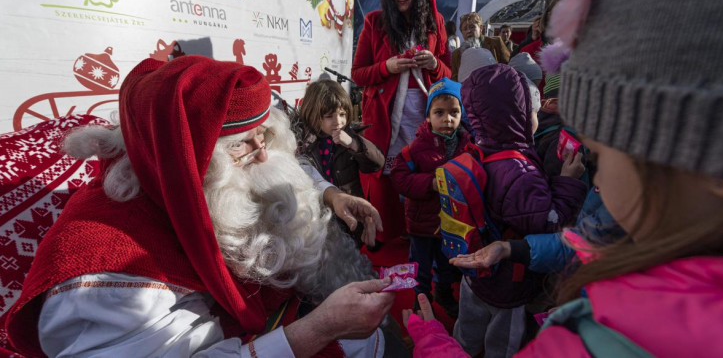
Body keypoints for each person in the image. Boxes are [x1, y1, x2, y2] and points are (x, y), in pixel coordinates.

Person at [409, 0, 723, 356]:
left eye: (604, 148)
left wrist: (430, 342)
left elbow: (560, 228)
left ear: (720, 158)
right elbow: (569, 235)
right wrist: (517, 243)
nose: (595, 173)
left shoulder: (591, 341)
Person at [5, 56, 396, 357]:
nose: (263, 155)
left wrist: (330, 193)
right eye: (242, 144)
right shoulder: (105, 276)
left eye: (265, 135)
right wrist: (318, 330)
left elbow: (280, 171)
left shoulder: (199, 175)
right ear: (181, 158)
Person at [453, 63, 587, 358]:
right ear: (520, 117)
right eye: (534, 112)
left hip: (476, 273)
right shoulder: (518, 172)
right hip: (508, 283)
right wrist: (567, 182)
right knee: (503, 346)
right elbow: (549, 221)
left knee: (467, 333)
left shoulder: (480, 150)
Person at [352, 0, 452, 243]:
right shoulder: (374, 21)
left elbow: (448, 75)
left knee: (423, 175)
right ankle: (389, 239)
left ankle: (422, 237)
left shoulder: (436, 23)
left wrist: (434, 64)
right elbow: (359, 73)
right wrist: (388, 66)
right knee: (385, 180)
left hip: (424, 116)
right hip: (384, 118)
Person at [390, 78, 471, 318]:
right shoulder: (416, 147)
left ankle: (444, 293)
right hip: (422, 224)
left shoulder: (466, 146)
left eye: (454, 112)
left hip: (453, 224)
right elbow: (399, 177)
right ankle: (421, 302)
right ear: (428, 116)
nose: (447, 119)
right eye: (439, 112)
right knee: (422, 268)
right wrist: (430, 184)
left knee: (448, 264)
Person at [297, 78, 385, 247]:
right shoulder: (304, 142)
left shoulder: (350, 136)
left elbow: (377, 162)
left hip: (349, 213)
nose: (338, 122)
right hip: (317, 216)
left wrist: (354, 144)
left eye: (342, 114)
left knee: (349, 254)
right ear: (313, 115)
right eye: (329, 116)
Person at [450, 12, 510, 81]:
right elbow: (455, 79)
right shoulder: (456, 54)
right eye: (465, 29)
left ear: (481, 28)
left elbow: (508, 67)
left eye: (472, 27)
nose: (468, 31)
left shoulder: (496, 43)